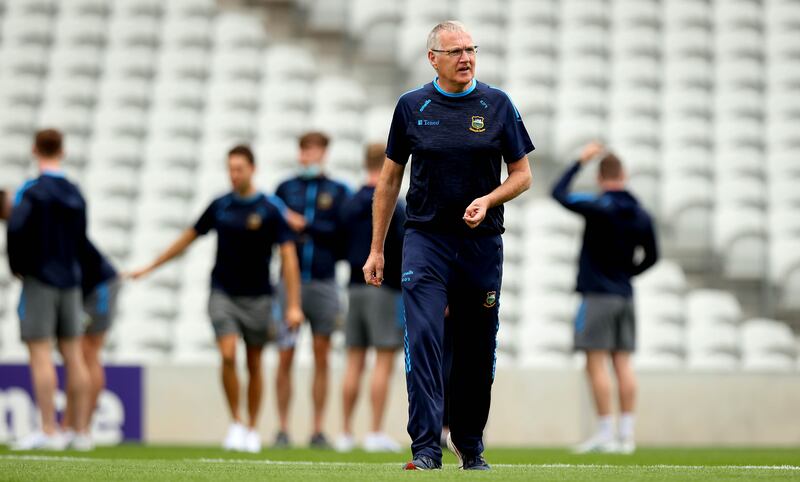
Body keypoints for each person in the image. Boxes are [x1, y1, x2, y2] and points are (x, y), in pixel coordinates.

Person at [363, 21, 534, 471]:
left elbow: (522, 175)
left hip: (481, 246)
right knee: (422, 339)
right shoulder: (411, 106)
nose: (466, 58)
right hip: (426, 241)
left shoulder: (497, 105)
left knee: (477, 349)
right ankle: (424, 448)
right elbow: (389, 180)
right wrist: (377, 248)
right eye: (456, 51)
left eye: (471, 49)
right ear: (432, 58)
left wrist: (489, 198)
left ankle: (470, 443)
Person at [129, 145, 304, 453]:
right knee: (226, 354)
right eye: (230, 169)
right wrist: (150, 267)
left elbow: (289, 258)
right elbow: (188, 238)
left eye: (239, 169)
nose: (233, 175)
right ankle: (236, 421)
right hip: (222, 293)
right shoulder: (220, 206)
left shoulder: (270, 208)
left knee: (253, 363)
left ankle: (251, 427)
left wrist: (292, 305)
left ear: (253, 169)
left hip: (259, 297)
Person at [551, 141, 659, 454]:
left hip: (597, 295)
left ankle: (605, 432)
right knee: (623, 363)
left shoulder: (598, 206)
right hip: (625, 296)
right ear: (623, 175)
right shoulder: (641, 214)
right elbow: (653, 256)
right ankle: (626, 436)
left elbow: (558, 193)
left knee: (595, 362)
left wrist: (578, 161)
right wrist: (628, 275)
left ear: (601, 177)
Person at [1, 190, 120, 445]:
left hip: (98, 286)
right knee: (77, 353)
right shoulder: (40, 223)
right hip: (78, 287)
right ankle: (71, 429)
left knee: (86, 352)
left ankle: (81, 429)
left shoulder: (41, 223)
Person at [7, 129, 93, 450]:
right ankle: (81, 432)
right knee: (74, 354)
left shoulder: (31, 191)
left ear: (34, 150)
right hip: (71, 280)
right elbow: (83, 238)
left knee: (41, 353)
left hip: (40, 279)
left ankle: (49, 429)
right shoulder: (76, 191)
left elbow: (15, 230)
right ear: (63, 151)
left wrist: (18, 267)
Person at [273, 132, 351, 449]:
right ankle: (281, 427)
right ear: (300, 153)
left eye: (316, 150)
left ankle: (318, 428)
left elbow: (341, 233)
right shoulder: (284, 188)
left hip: (323, 280)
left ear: (324, 154)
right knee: (285, 354)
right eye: (306, 150)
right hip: (288, 283)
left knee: (321, 355)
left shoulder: (337, 190)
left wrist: (304, 224)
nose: (310, 155)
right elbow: (273, 228)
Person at [334, 144, 405, 453]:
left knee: (354, 360)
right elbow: (404, 247)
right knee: (383, 360)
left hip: (353, 286)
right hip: (385, 288)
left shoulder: (349, 203)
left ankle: (346, 432)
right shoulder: (394, 203)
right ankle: (375, 431)